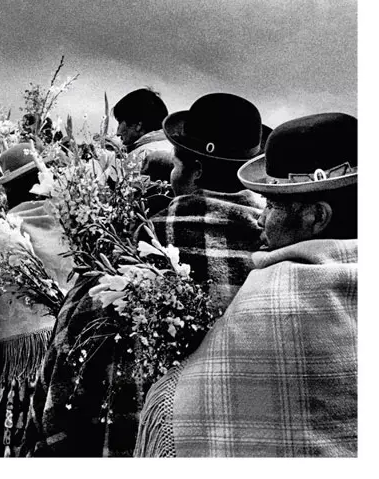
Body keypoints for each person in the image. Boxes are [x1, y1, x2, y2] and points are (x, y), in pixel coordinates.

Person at [135, 113, 357, 457]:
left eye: (272, 204)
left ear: (317, 217)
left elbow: (188, 406)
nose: (261, 218)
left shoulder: (272, 300)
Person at [0, 143, 74, 457]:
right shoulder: (70, 224)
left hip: (24, 372)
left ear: (9, 190)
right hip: (71, 357)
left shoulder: (9, 233)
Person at [148, 93, 267, 313]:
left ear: (196, 171)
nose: (171, 175)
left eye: (175, 165)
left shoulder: (154, 233)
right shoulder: (272, 238)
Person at [112, 88, 173, 182]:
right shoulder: (176, 150)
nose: (118, 132)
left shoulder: (138, 156)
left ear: (138, 125)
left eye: (120, 122)